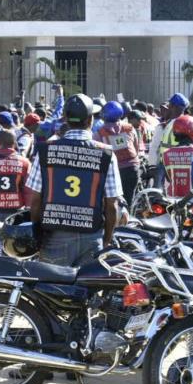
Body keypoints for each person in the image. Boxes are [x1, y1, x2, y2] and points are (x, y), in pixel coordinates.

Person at [26, 94, 121, 267]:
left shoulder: (45, 151)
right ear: (90, 120)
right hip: (91, 237)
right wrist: (106, 240)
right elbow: (111, 205)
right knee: (88, 285)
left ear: (65, 119)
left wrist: (37, 236)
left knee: (51, 285)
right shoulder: (107, 154)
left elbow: (35, 201)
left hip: (54, 237)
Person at [95, 101, 140, 204]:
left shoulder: (99, 133)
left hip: (112, 171)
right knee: (128, 200)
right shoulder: (129, 128)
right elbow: (136, 148)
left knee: (112, 202)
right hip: (132, 168)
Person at [148, 93, 189, 188]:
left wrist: (152, 166)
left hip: (165, 167)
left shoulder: (164, 126)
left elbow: (154, 148)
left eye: (169, 105)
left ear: (173, 106)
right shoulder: (189, 123)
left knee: (159, 194)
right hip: (185, 166)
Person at [162, 115, 193, 198]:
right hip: (192, 199)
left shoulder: (166, 153)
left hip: (172, 199)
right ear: (192, 130)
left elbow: (168, 178)